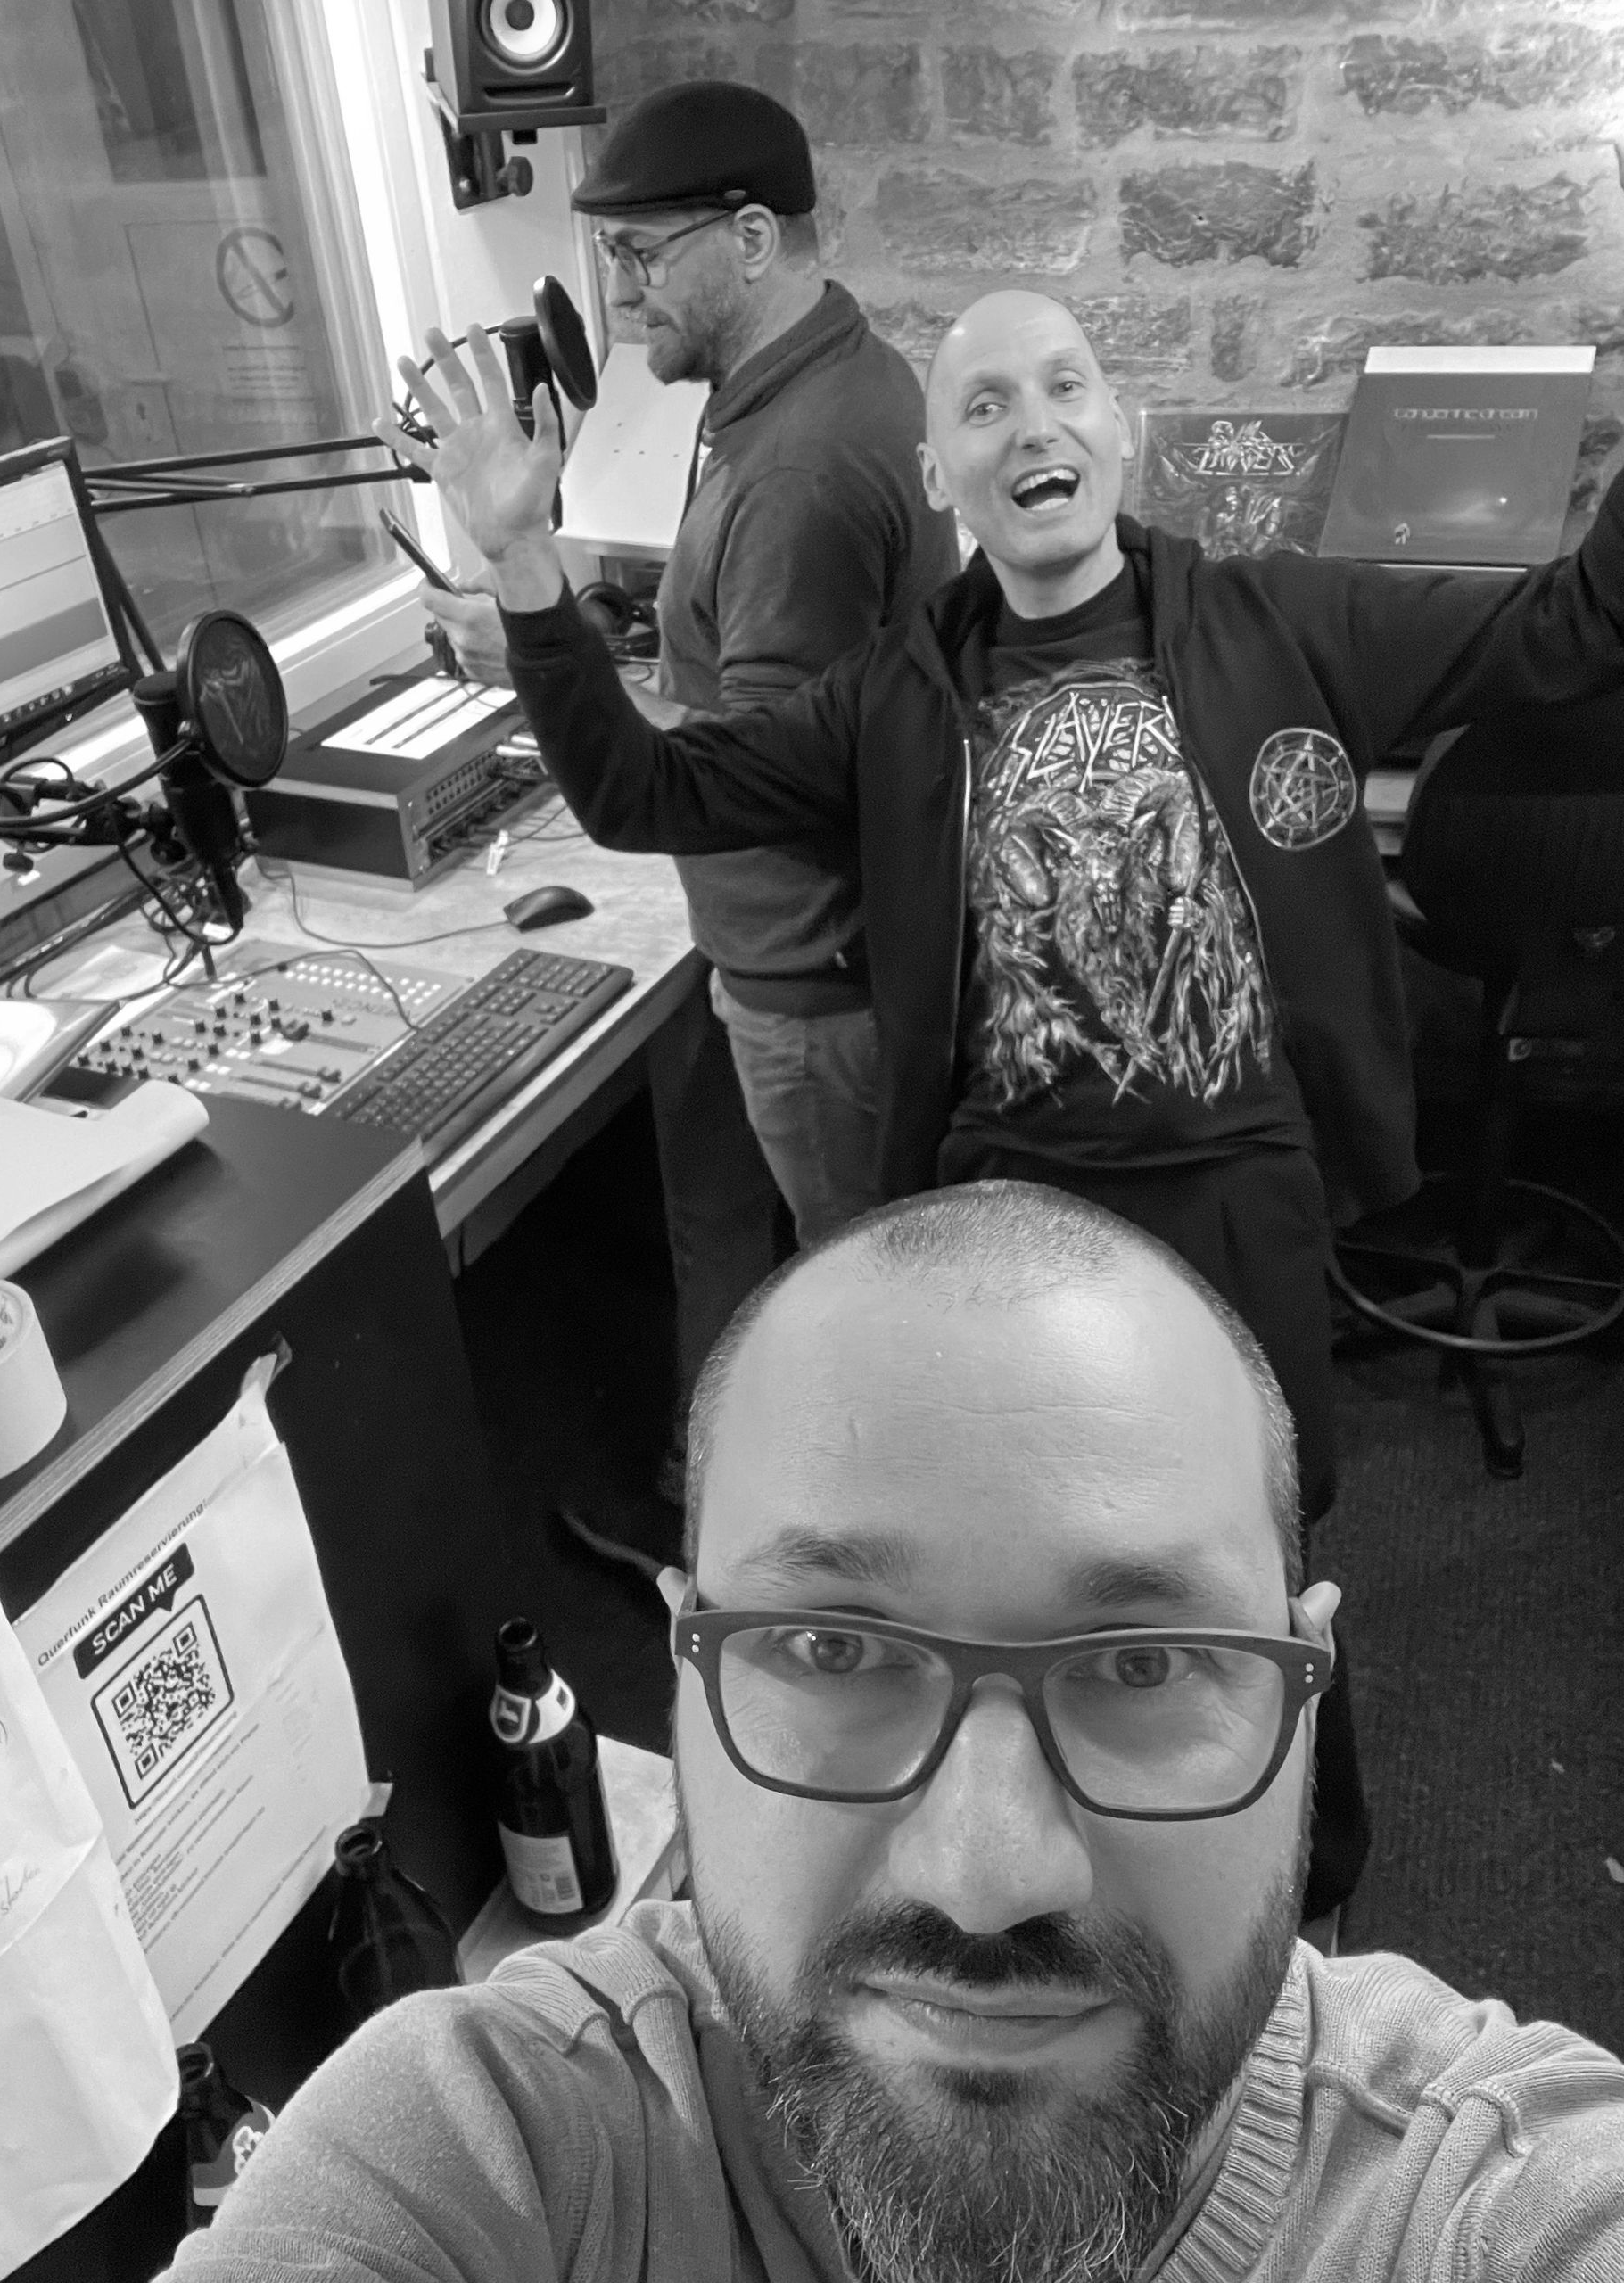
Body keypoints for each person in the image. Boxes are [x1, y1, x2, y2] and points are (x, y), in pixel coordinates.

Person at [384, 284, 1624, 1926]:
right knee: (1036, 1573)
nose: (1032, 425)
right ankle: (1070, 1877)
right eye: (984, 405)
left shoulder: (1277, 619)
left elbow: (1569, 627)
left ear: (1122, 432)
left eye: (1064, 388)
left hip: (1233, 1188)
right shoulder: (892, 695)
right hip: (1009, 1209)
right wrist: (525, 563)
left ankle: (1302, 1889)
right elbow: (643, 788)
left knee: (1250, 1567)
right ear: (940, 476)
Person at [168, 1183, 1624, 2283]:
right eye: (833, 1650)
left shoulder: (1491, 2203)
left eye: (1143, 1662)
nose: (987, 1877)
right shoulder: (490, 2156)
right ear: (680, 1670)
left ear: (1308, 1690)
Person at [411, 83, 956, 1499]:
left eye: (643, 257)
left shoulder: (801, 471)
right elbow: (766, 702)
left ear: (753, 239)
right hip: (812, 949)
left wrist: (533, 621)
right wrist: (588, 647)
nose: (619, 291)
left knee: (864, 1312)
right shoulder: (822, 377)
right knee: (756, 1235)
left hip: (814, 978)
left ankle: (853, 1562)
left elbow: (736, 780)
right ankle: (726, 1482)